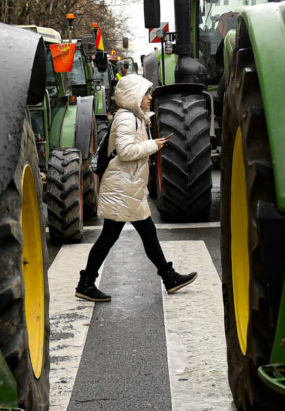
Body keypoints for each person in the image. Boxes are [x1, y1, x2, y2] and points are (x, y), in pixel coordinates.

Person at [76, 74, 196, 302]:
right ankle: (86, 283)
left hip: (129, 187)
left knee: (141, 233)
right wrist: (153, 145)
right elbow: (125, 152)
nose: (150, 97)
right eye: (146, 93)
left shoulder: (135, 117)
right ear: (134, 95)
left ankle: (168, 277)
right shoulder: (126, 119)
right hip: (122, 187)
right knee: (112, 236)